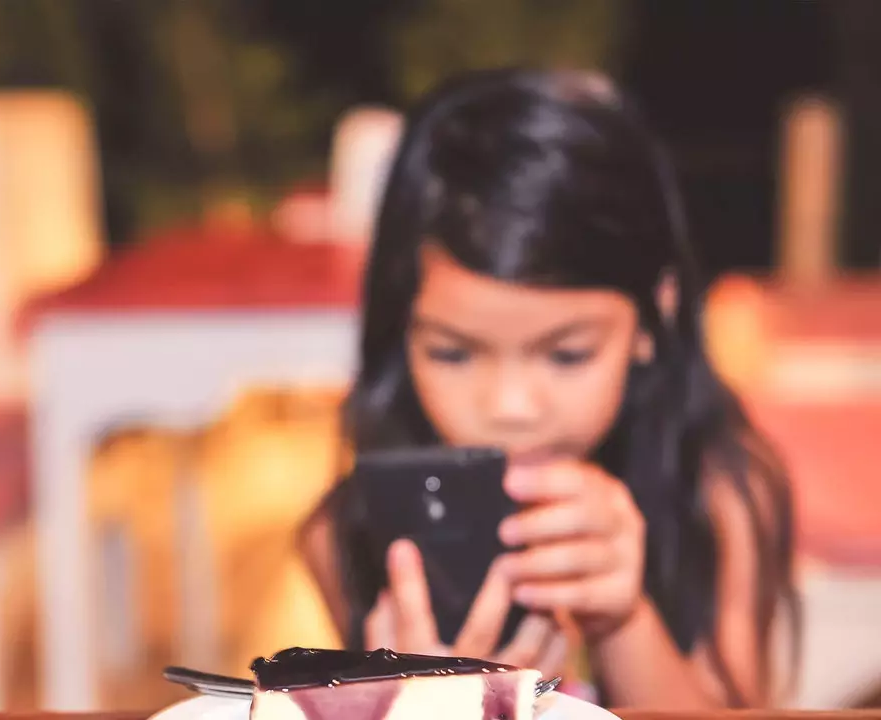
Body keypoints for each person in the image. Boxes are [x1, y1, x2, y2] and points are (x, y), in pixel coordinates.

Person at [298, 68, 799, 709]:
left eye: (566, 355)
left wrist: (624, 619)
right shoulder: (350, 532)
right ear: (401, 333)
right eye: (452, 353)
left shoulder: (720, 492)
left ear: (654, 318)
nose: (510, 408)